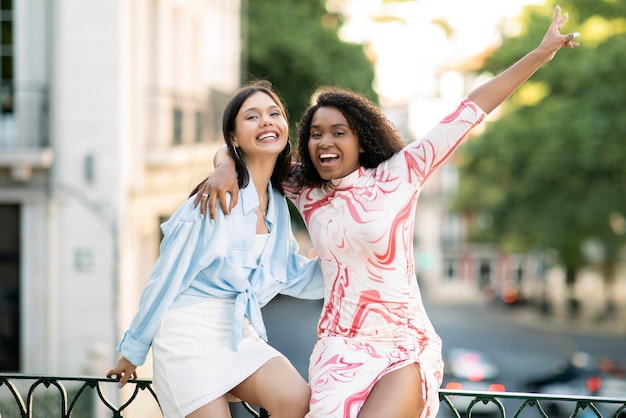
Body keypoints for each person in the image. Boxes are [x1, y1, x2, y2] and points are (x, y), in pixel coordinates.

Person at [196, 7, 580, 418]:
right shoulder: (305, 189)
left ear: (361, 140)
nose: (324, 142)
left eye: (338, 132)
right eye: (315, 134)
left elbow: (472, 108)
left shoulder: (400, 174)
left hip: (403, 344)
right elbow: (249, 150)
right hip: (338, 350)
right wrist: (223, 164)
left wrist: (540, 54)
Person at [107, 81, 324, 418]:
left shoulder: (278, 202)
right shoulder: (213, 200)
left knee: (297, 400)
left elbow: (291, 273)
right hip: (185, 335)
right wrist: (133, 348)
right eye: (252, 116)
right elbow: (165, 277)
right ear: (234, 137)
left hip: (237, 332)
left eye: (274, 113)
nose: (267, 121)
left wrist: (352, 262)